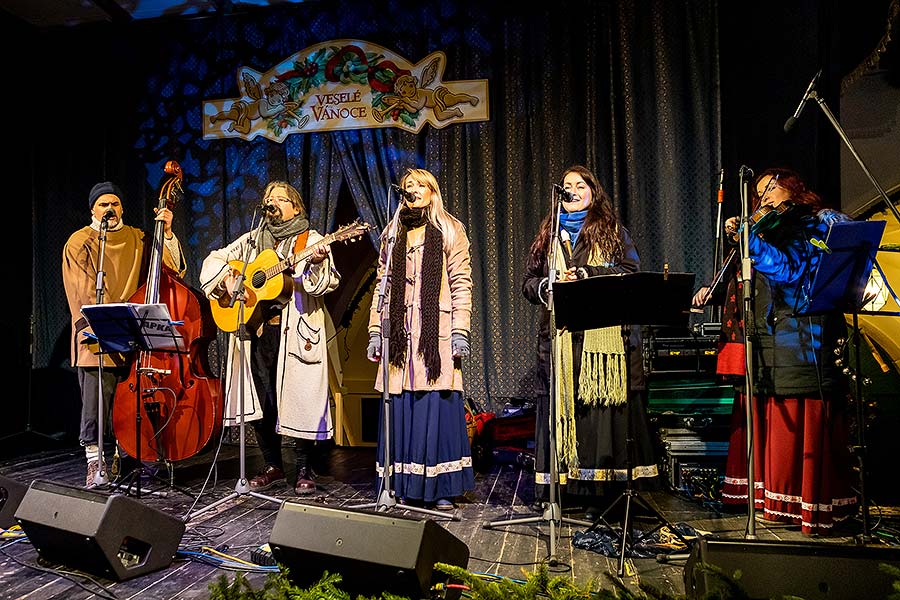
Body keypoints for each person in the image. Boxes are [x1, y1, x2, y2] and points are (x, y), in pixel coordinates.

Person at [692, 167, 857, 535]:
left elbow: (788, 269)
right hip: (767, 338)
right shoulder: (768, 228)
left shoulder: (812, 222)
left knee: (800, 417)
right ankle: (766, 499)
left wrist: (751, 240)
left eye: (772, 188)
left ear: (793, 188)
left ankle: (803, 504)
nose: (764, 197)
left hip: (802, 342)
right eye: (759, 192)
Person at [522, 165, 658, 518]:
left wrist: (586, 274)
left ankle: (602, 491)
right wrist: (547, 285)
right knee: (565, 409)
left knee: (599, 411)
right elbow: (528, 282)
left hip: (602, 341)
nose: (572, 189)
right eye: (566, 185)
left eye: (579, 184)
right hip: (562, 340)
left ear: (592, 191)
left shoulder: (612, 231)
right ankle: (566, 491)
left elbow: (630, 272)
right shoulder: (548, 235)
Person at [199, 181, 339, 495]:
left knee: (300, 398)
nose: (271, 202)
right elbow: (213, 260)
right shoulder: (252, 240)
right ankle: (272, 464)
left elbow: (325, 283)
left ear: (296, 207)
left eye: (278, 198)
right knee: (263, 399)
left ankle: (305, 468)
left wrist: (316, 264)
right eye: (267, 199)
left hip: (296, 330)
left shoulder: (311, 239)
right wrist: (227, 280)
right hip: (257, 330)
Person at [365, 168, 475, 511]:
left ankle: (439, 487)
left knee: (433, 407)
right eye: (407, 186)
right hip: (399, 337)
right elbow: (381, 287)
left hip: (434, 337)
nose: (411, 190)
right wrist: (375, 332)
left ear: (433, 192)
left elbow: (461, 282)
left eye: (419, 185)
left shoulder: (449, 229)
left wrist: (460, 331)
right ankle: (401, 485)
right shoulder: (392, 234)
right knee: (401, 406)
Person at [63, 181, 185, 488]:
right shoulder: (79, 242)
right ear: (93, 209)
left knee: (128, 404)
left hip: (132, 333)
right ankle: (94, 461)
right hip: (95, 334)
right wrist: (100, 324)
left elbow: (173, 269)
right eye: (103, 204)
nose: (110, 209)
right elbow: (80, 292)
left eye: (114, 204)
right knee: (95, 403)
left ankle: (126, 457)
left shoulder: (138, 238)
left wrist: (167, 234)